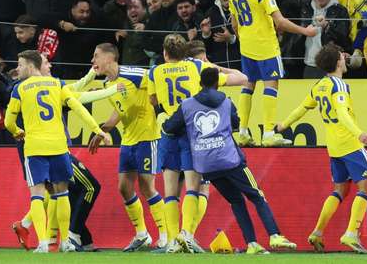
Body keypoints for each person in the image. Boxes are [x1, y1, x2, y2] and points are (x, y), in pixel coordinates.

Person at [162, 67, 297, 254]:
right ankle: (274, 235)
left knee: (236, 201)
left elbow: (169, 128)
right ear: (218, 83)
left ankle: (252, 244)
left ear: (200, 83)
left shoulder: (187, 105)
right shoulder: (226, 102)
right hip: (229, 159)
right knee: (257, 195)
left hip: (206, 165)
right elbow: (235, 123)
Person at [11, 54, 123, 252]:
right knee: (73, 189)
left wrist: (91, 75)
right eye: (46, 62)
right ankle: (60, 238)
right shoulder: (44, 86)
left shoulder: (34, 87)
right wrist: (111, 90)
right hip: (52, 146)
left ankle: (40, 233)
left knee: (51, 191)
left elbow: (76, 89)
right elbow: (79, 98)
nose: (50, 65)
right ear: (36, 66)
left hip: (37, 146)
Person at [146, 35, 247, 253]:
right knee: (194, 187)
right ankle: (188, 235)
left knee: (170, 191)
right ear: (185, 53)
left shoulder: (154, 72)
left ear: (165, 53)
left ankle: (173, 242)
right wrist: (215, 67)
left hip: (169, 132)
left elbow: (152, 100)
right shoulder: (197, 67)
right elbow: (241, 78)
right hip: (193, 133)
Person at [276, 44, 367, 254]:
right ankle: (351, 233)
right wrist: (359, 133)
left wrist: (284, 125)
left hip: (334, 148)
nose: (345, 58)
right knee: (366, 187)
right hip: (350, 144)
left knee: (340, 190)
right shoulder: (339, 86)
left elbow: (302, 108)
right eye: (342, 56)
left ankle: (317, 232)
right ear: (338, 62)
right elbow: (342, 113)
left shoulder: (319, 85)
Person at [228, 0, 317, 147]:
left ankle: (242, 132)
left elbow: (234, 23)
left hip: (246, 45)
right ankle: (269, 133)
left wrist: (245, 37)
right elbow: (280, 22)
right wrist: (306, 31)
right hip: (265, 45)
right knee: (271, 85)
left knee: (248, 85)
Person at [87, 43, 167, 252]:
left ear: (109, 57)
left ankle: (166, 236)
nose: (93, 61)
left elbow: (157, 79)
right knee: (124, 187)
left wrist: (156, 103)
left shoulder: (134, 74)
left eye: (96, 56)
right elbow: (120, 110)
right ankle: (142, 235)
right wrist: (103, 129)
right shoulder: (107, 84)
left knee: (147, 186)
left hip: (148, 137)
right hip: (128, 140)